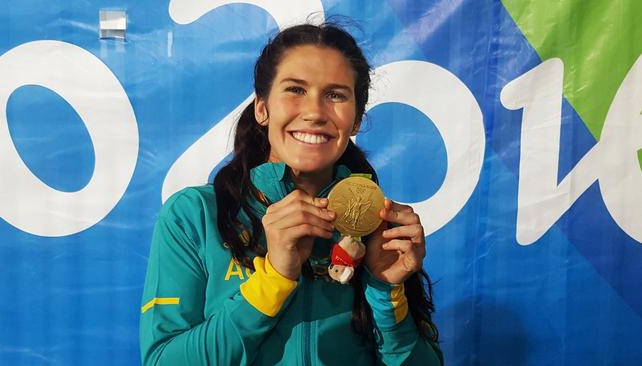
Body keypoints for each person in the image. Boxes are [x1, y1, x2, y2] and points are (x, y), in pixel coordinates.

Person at [140, 22, 442, 366]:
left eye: (335, 95)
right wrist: (273, 279)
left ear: (355, 120)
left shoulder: (379, 226)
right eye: (296, 90)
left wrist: (386, 292)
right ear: (262, 108)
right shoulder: (195, 215)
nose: (314, 112)